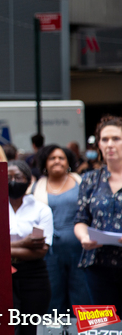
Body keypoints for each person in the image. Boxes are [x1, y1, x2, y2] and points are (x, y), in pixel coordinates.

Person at [31, 144, 90, 313]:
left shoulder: (81, 182)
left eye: (61, 158)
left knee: (82, 296)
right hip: (49, 253)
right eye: (52, 158)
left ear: (68, 162)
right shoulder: (35, 188)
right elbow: (34, 220)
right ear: (44, 162)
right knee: (52, 297)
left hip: (79, 249)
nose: (57, 161)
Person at [75, 115, 122, 313]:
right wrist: (84, 236)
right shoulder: (90, 179)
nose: (110, 144)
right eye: (105, 139)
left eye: (116, 139)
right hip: (97, 263)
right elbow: (80, 219)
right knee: (104, 323)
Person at [8, 160, 53, 335]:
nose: (12, 181)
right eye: (8, 177)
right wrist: (23, 243)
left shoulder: (41, 210)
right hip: (2, 274)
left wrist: (1, 248)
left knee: (31, 326)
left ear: (28, 180)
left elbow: (41, 251)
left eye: (18, 177)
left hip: (34, 275)